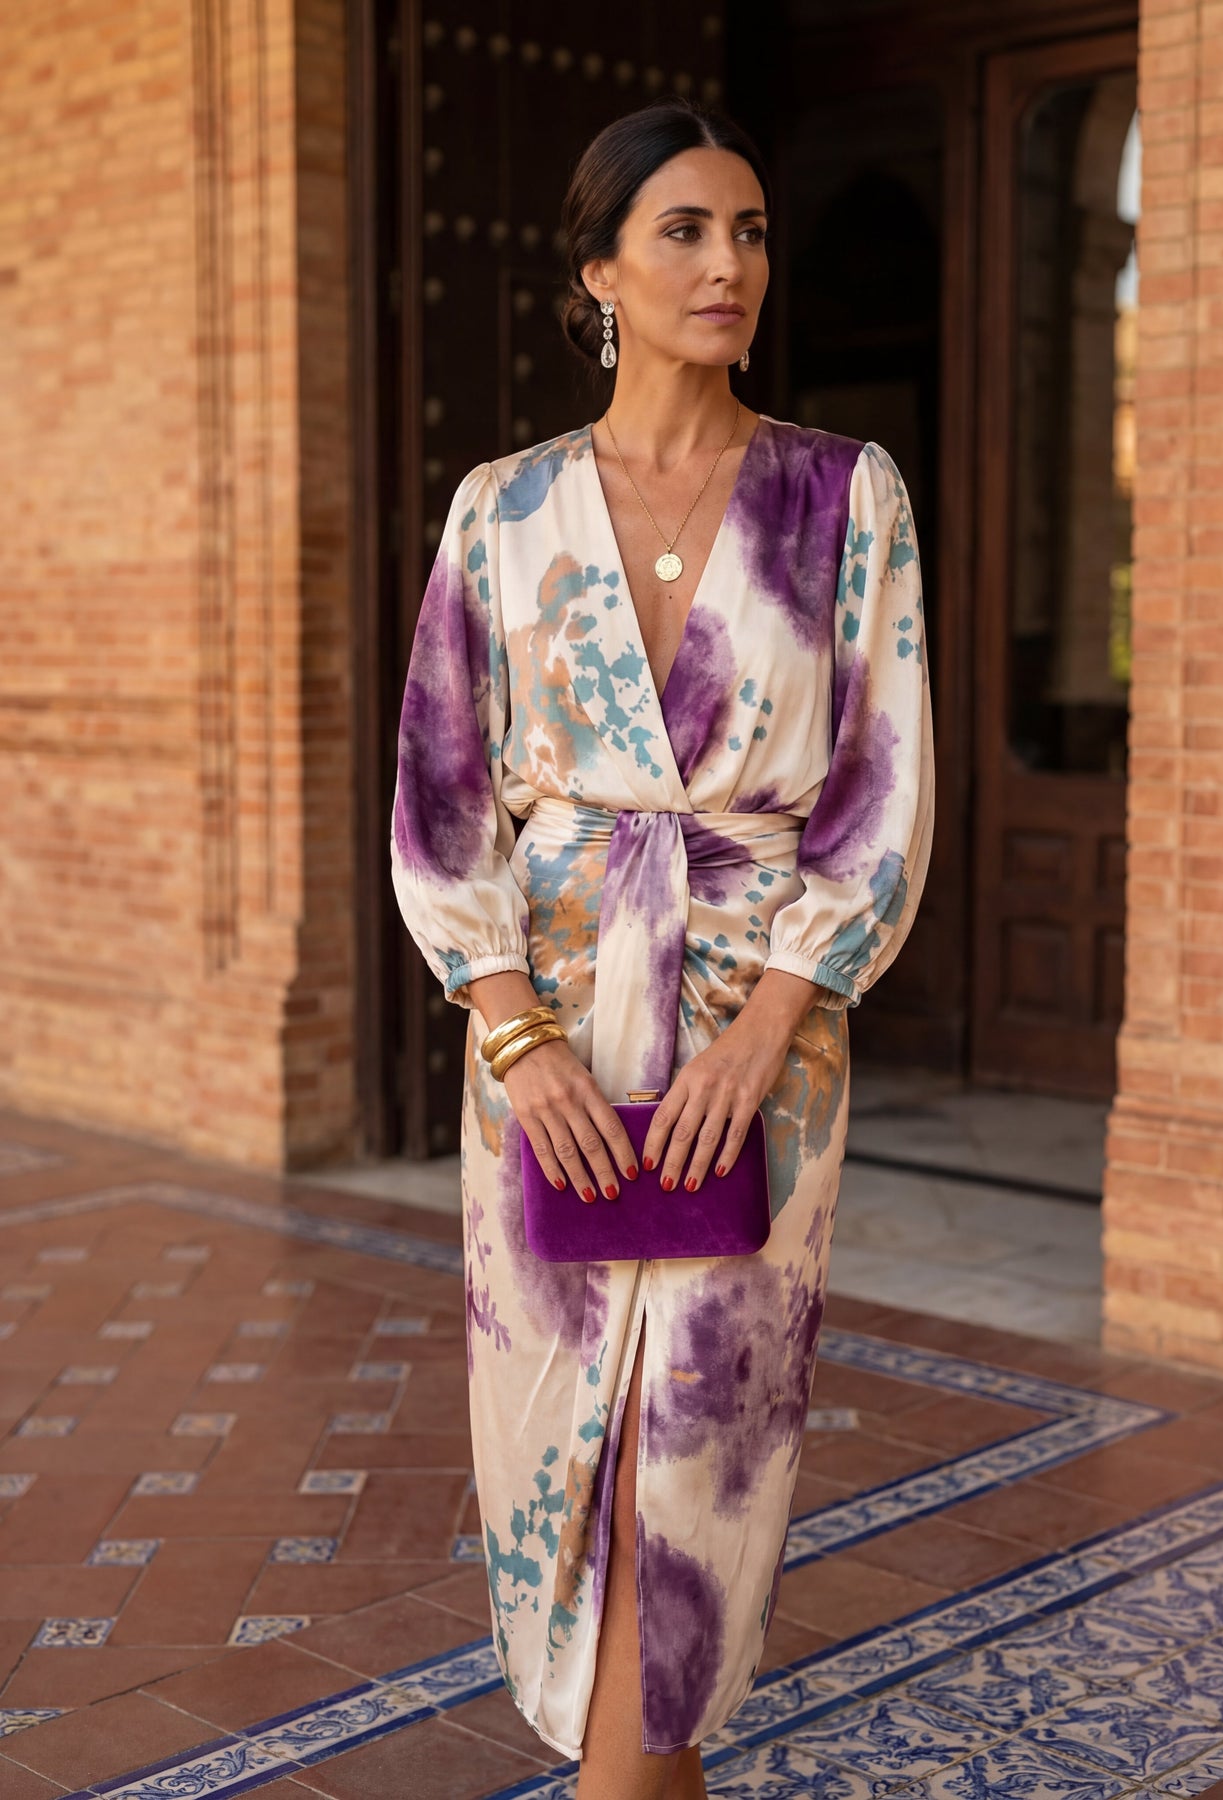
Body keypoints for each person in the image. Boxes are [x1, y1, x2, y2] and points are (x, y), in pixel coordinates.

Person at [391, 96, 934, 1800]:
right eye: (685, 230)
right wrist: (515, 1036)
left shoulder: (845, 497)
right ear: (600, 273)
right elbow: (441, 798)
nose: (728, 264)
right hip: (544, 1045)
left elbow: (881, 791)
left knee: (690, 1464)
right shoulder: (502, 512)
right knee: (569, 1451)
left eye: (749, 231)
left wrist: (766, 1032)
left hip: (760, 1050)